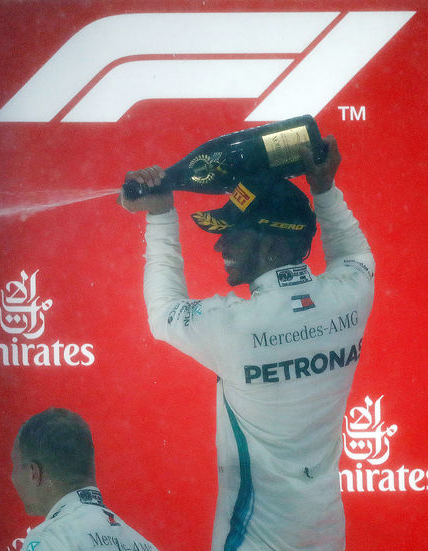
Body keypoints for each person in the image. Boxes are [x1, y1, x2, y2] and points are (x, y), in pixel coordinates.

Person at [119, 136, 374, 550]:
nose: (220, 244)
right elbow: (355, 256)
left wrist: (161, 215)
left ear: (272, 244)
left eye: (233, 233)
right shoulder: (350, 297)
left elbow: (165, 312)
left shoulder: (236, 327)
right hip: (327, 535)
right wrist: (324, 188)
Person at [11, 408, 159, 551]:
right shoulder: (144, 545)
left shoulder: (49, 540)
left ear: (33, 473)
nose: (12, 479)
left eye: (15, 466)